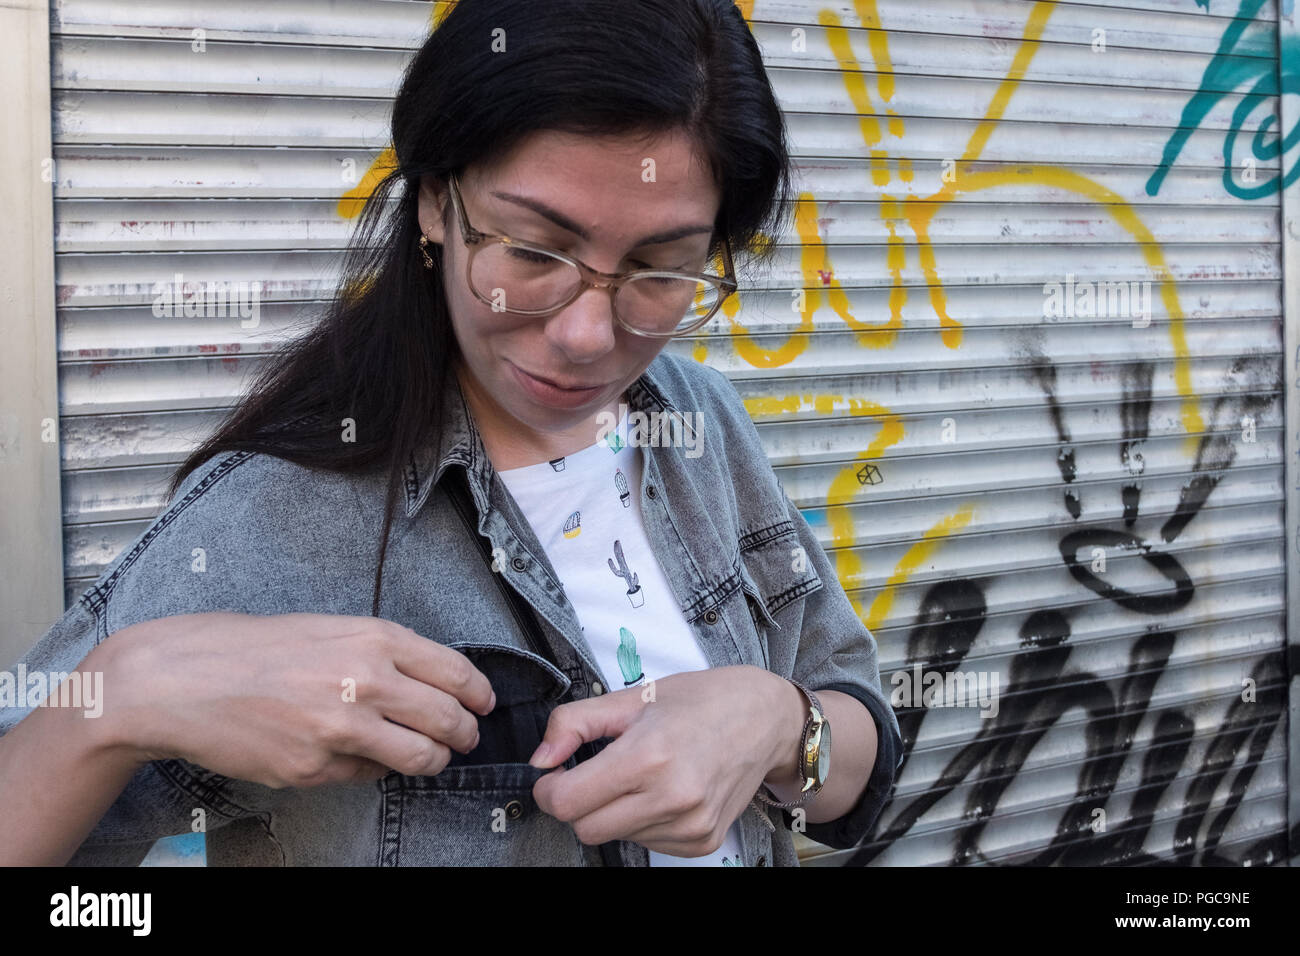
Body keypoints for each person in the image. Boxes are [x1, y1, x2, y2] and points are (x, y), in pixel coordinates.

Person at [0, 0, 902, 866]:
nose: (588, 335)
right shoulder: (273, 519)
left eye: (660, 271)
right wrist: (124, 693)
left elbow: (862, 751)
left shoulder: (701, 423)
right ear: (437, 205)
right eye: (534, 252)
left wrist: (782, 724)